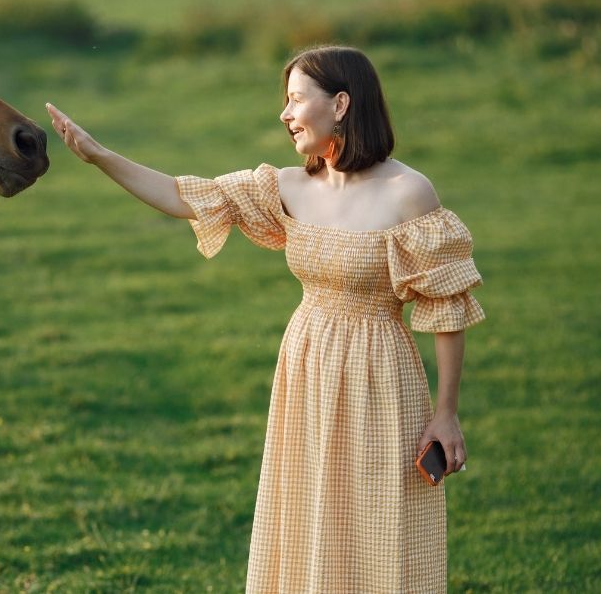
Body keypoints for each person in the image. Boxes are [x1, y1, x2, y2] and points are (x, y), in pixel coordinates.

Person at [45, 44, 484, 593]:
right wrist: (98, 155)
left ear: (341, 104)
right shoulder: (287, 187)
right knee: (304, 518)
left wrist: (446, 413)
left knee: (376, 522)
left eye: (296, 99)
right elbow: (186, 196)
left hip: (380, 377)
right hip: (305, 367)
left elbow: (447, 307)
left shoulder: (408, 194)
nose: (284, 114)